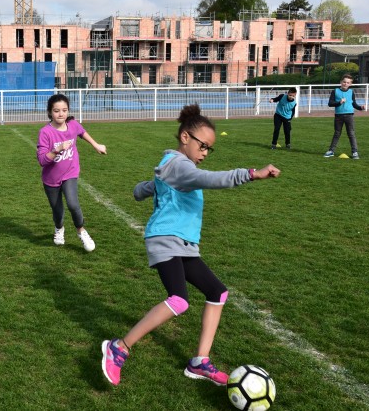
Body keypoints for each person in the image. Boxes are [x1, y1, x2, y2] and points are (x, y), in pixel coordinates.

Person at [101, 104, 280, 387]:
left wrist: (143, 189)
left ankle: (199, 362)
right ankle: (119, 347)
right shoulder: (181, 166)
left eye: (210, 149)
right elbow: (206, 179)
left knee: (217, 292)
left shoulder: (175, 166)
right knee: (179, 300)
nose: (205, 153)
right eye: (203, 146)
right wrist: (251, 174)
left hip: (183, 245)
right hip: (166, 240)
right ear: (186, 137)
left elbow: (152, 185)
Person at [36, 93, 107, 252]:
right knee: (58, 211)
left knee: (73, 204)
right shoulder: (45, 133)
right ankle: (59, 229)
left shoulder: (73, 124)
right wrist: (57, 149)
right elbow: (42, 160)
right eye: (56, 111)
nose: (61, 114)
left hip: (70, 173)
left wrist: (96, 145)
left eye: (64, 110)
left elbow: (82, 132)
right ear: (49, 112)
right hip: (51, 179)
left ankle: (81, 231)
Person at [324, 74, 365, 159]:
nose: (345, 84)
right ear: (341, 82)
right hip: (338, 116)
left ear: (350, 84)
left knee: (351, 134)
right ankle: (331, 151)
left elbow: (354, 104)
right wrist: (339, 102)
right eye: (344, 82)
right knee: (337, 133)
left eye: (348, 82)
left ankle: (355, 152)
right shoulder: (335, 91)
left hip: (349, 116)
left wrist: (360, 107)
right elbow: (330, 103)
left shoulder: (351, 92)